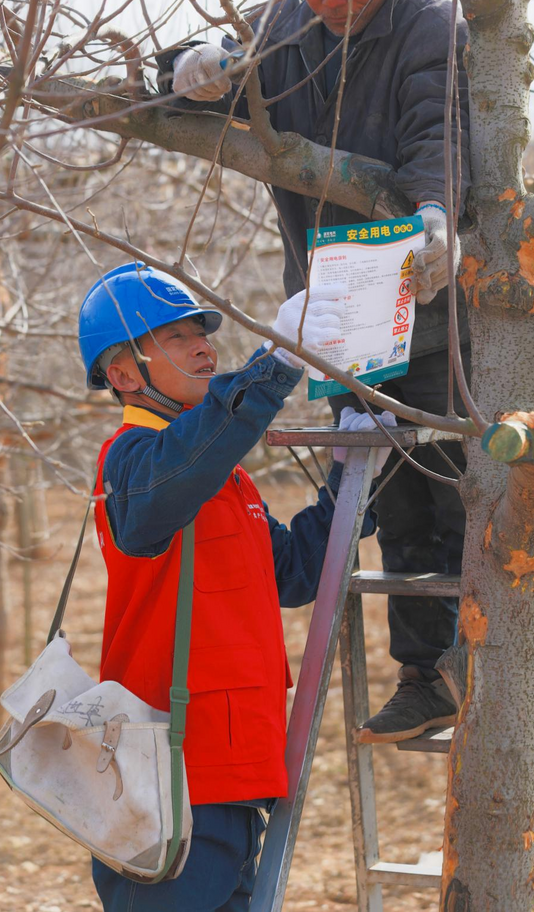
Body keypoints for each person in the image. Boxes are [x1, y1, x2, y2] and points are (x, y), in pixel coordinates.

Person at [156, 0, 471, 744]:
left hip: (430, 299)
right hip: (340, 311)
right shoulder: (284, 33)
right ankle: (423, 674)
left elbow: (434, 136)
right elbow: (191, 82)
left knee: (451, 486)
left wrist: (435, 216)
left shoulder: (429, 28)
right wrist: (186, 67)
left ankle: (462, 660)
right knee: (391, 495)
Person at [77, 262, 395, 912]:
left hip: (239, 773)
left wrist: (352, 478)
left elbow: (296, 571)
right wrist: (273, 367)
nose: (203, 347)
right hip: (168, 779)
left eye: (202, 332)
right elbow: (170, 481)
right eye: (175, 337)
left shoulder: (225, 478)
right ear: (123, 375)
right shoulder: (133, 461)